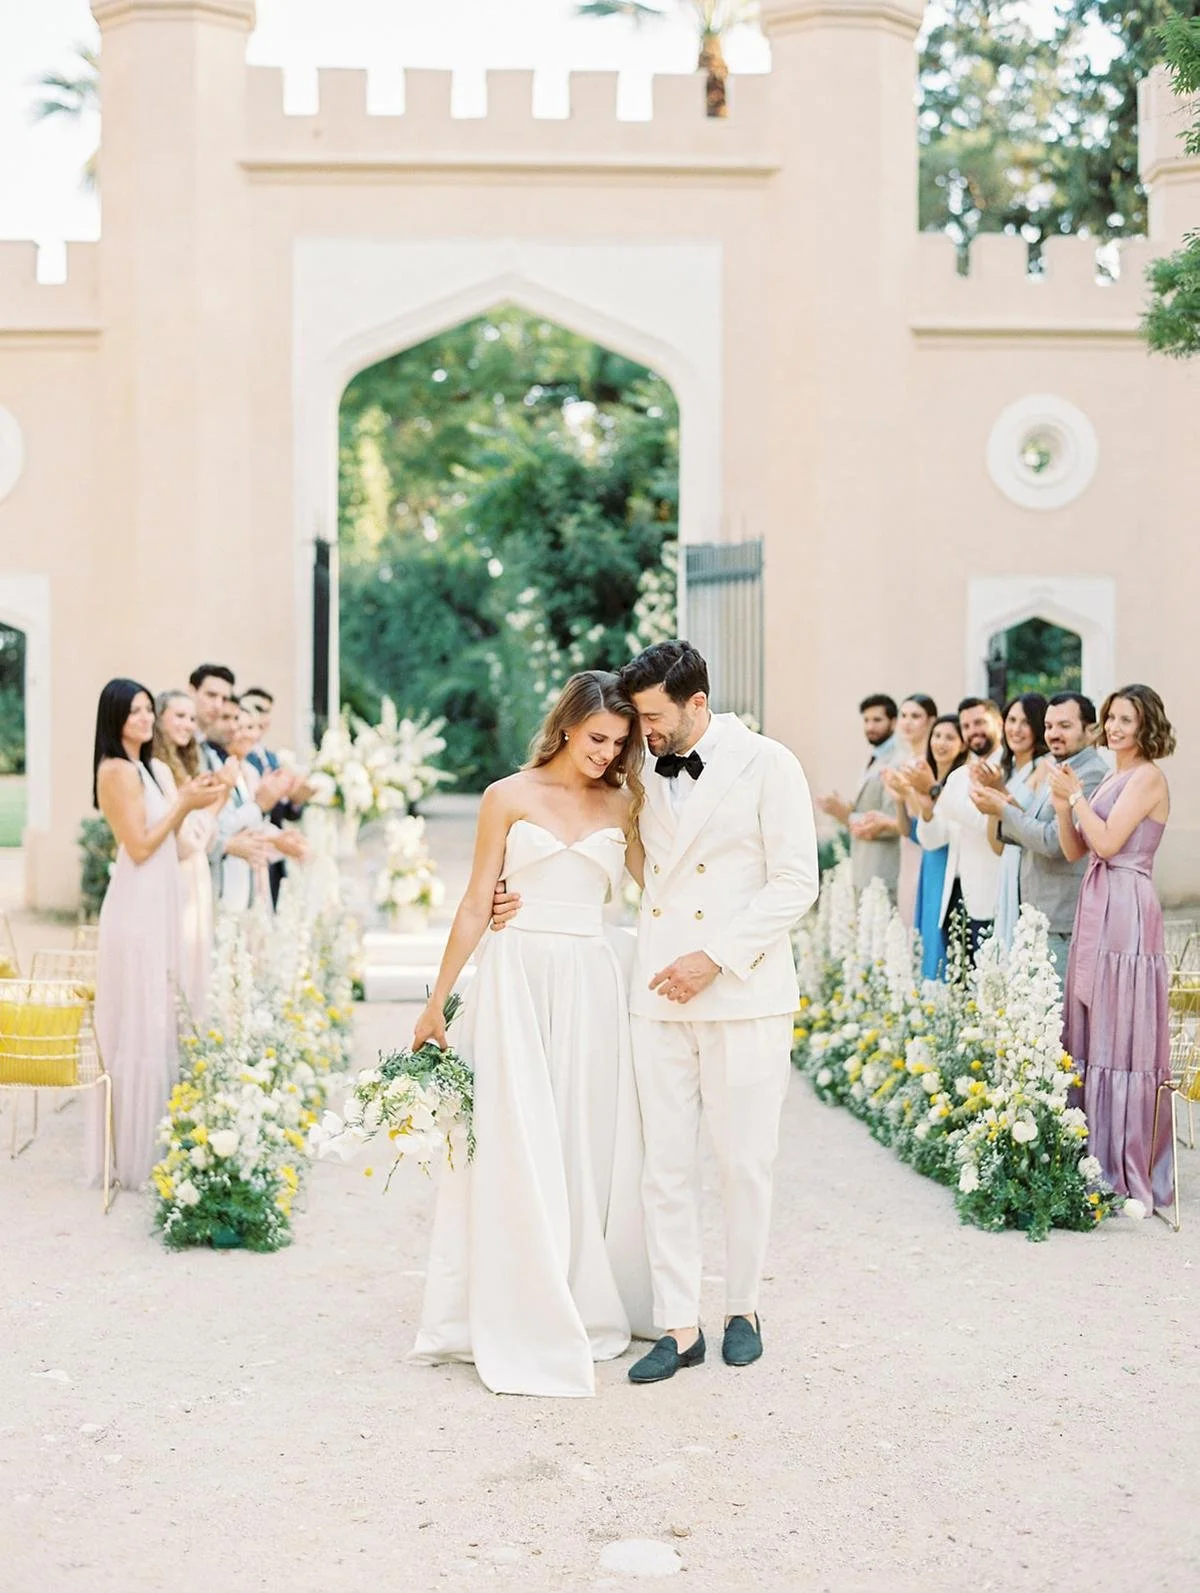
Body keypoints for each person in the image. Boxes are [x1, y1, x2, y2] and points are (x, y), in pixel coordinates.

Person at [409, 671, 654, 1397]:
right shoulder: (506, 797)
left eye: (619, 744)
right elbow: (473, 904)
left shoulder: (626, 801)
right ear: (569, 725)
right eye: (597, 738)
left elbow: (658, 890)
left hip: (591, 982)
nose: (607, 754)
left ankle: (580, 1292)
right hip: (517, 980)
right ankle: (518, 1295)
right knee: (519, 1138)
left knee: (583, 1138)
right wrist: (437, 1001)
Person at [616, 641, 818, 1382]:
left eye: (655, 716)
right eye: (638, 718)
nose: (645, 731)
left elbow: (797, 881)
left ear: (697, 702)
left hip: (742, 993)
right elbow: (626, 858)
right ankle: (677, 1323)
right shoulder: (639, 765)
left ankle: (742, 1308)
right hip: (659, 993)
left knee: (743, 1162)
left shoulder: (770, 763)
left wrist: (717, 956)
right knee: (664, 1166)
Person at [89, 678, 221, 1189]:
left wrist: (192, 802)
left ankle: (159, 1140)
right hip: (136, 904)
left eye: (148, 710)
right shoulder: (116, 770)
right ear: (114, 719)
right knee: (139, 1017)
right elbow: (141, 846)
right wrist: (183, 804)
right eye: (134, 712)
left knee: (160, 1010)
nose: (145, 719)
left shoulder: (145, 766)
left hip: (160, 901)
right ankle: (136, 1156)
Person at [1050, 684, 1175, 1214]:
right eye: (1112, 717)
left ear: (1146, 725)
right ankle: (1089, 1148)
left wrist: (1077, 796)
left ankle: (1124, 1161)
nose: (1117, 727)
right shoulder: (1114, 776)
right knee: (1092, 1020)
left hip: (1126, 903)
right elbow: (1075, 846)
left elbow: (1106, 843)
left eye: (1127, 718)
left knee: (1120, 1028)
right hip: (1098, 898)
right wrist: (1063, 806)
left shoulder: (1147, 776)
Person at [969, 692, 1107, 982]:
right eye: (1049, 726)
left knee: (1056, 1019)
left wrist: (1002, 810)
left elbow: (1053, 841)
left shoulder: (1091, 773)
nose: (1054, 734)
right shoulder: (1058, 766)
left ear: (1091, 730)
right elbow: (1030, 822)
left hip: (1061, 918)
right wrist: (999, 794)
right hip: (1036, 912)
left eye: (1065, 726)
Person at [916, 698, 1004, 965]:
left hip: (989, 892)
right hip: (953, 892)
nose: (972, 730)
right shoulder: (959, 776)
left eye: (979, 722)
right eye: (966, 725)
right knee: (959, 982)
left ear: (998, 723)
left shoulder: (1005, 771)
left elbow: (983, 822)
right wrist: (928, 807)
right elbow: (933, 840)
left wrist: (934, 791)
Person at [151, 690, 221, 1018]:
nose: (187, 725)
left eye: (192, 719)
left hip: (196, 876)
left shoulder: (183, 767)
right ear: (159, 718)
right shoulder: (158, 769)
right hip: (179, 877)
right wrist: (215, 804)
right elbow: (184, 843)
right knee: (179, 960)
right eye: (179, 716)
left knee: (196, 962)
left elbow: (202, 840)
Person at [884, 714, 966, 980]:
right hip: (928, 866)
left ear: (963, 745)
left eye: (950, 737)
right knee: (924, 937)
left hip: (947, 865)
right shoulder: (927, 777)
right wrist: (899, 799)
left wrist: (913, 792)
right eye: (937, 736)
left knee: (941, 938)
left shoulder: (957, 782)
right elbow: (911, 832)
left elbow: (945, 827)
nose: (940, 743)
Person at [973, 693, 1048, 947]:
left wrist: (999, 791)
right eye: (1011, 720)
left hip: (1030, 868)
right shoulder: (1009, 771)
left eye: (1025, 722)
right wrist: (991, 796)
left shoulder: (1045, 767)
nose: (1016, 729)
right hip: (1008, 864)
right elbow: (998, 845)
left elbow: (1028, 823)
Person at [817, 694, 901, 898]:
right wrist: (845, 810)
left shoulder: (897, 762)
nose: (870, 726)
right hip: (863, 869)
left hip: (884, 872)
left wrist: (845, 816)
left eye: (877, 720)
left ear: (893, 722)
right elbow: (868, 808)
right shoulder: (874, 758)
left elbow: (893, 821)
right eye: (866, 720)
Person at [241, 686, 308, 907]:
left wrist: (297, 798)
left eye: (265, 712)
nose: (261, 717)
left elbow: (284, 809)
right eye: (255, 709)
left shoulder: (271, 757)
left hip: (273, 848)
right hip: (249, 848)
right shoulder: (241, 762)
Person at [893, 694, 938, 927]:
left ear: (931, 720)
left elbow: (931, 814)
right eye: (904, 716)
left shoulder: (931, 762)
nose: (908, 722)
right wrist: (898, 798)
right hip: (908, 848)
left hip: (926, 846)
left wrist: (908, 792)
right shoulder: (905, 761)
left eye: (915, 716)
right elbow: (904, 825)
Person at [189, 663, 236, 767]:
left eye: (224, 699)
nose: (218, 705)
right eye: (211, 695)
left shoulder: (210, 750)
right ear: (192, 692)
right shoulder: (173, 740)